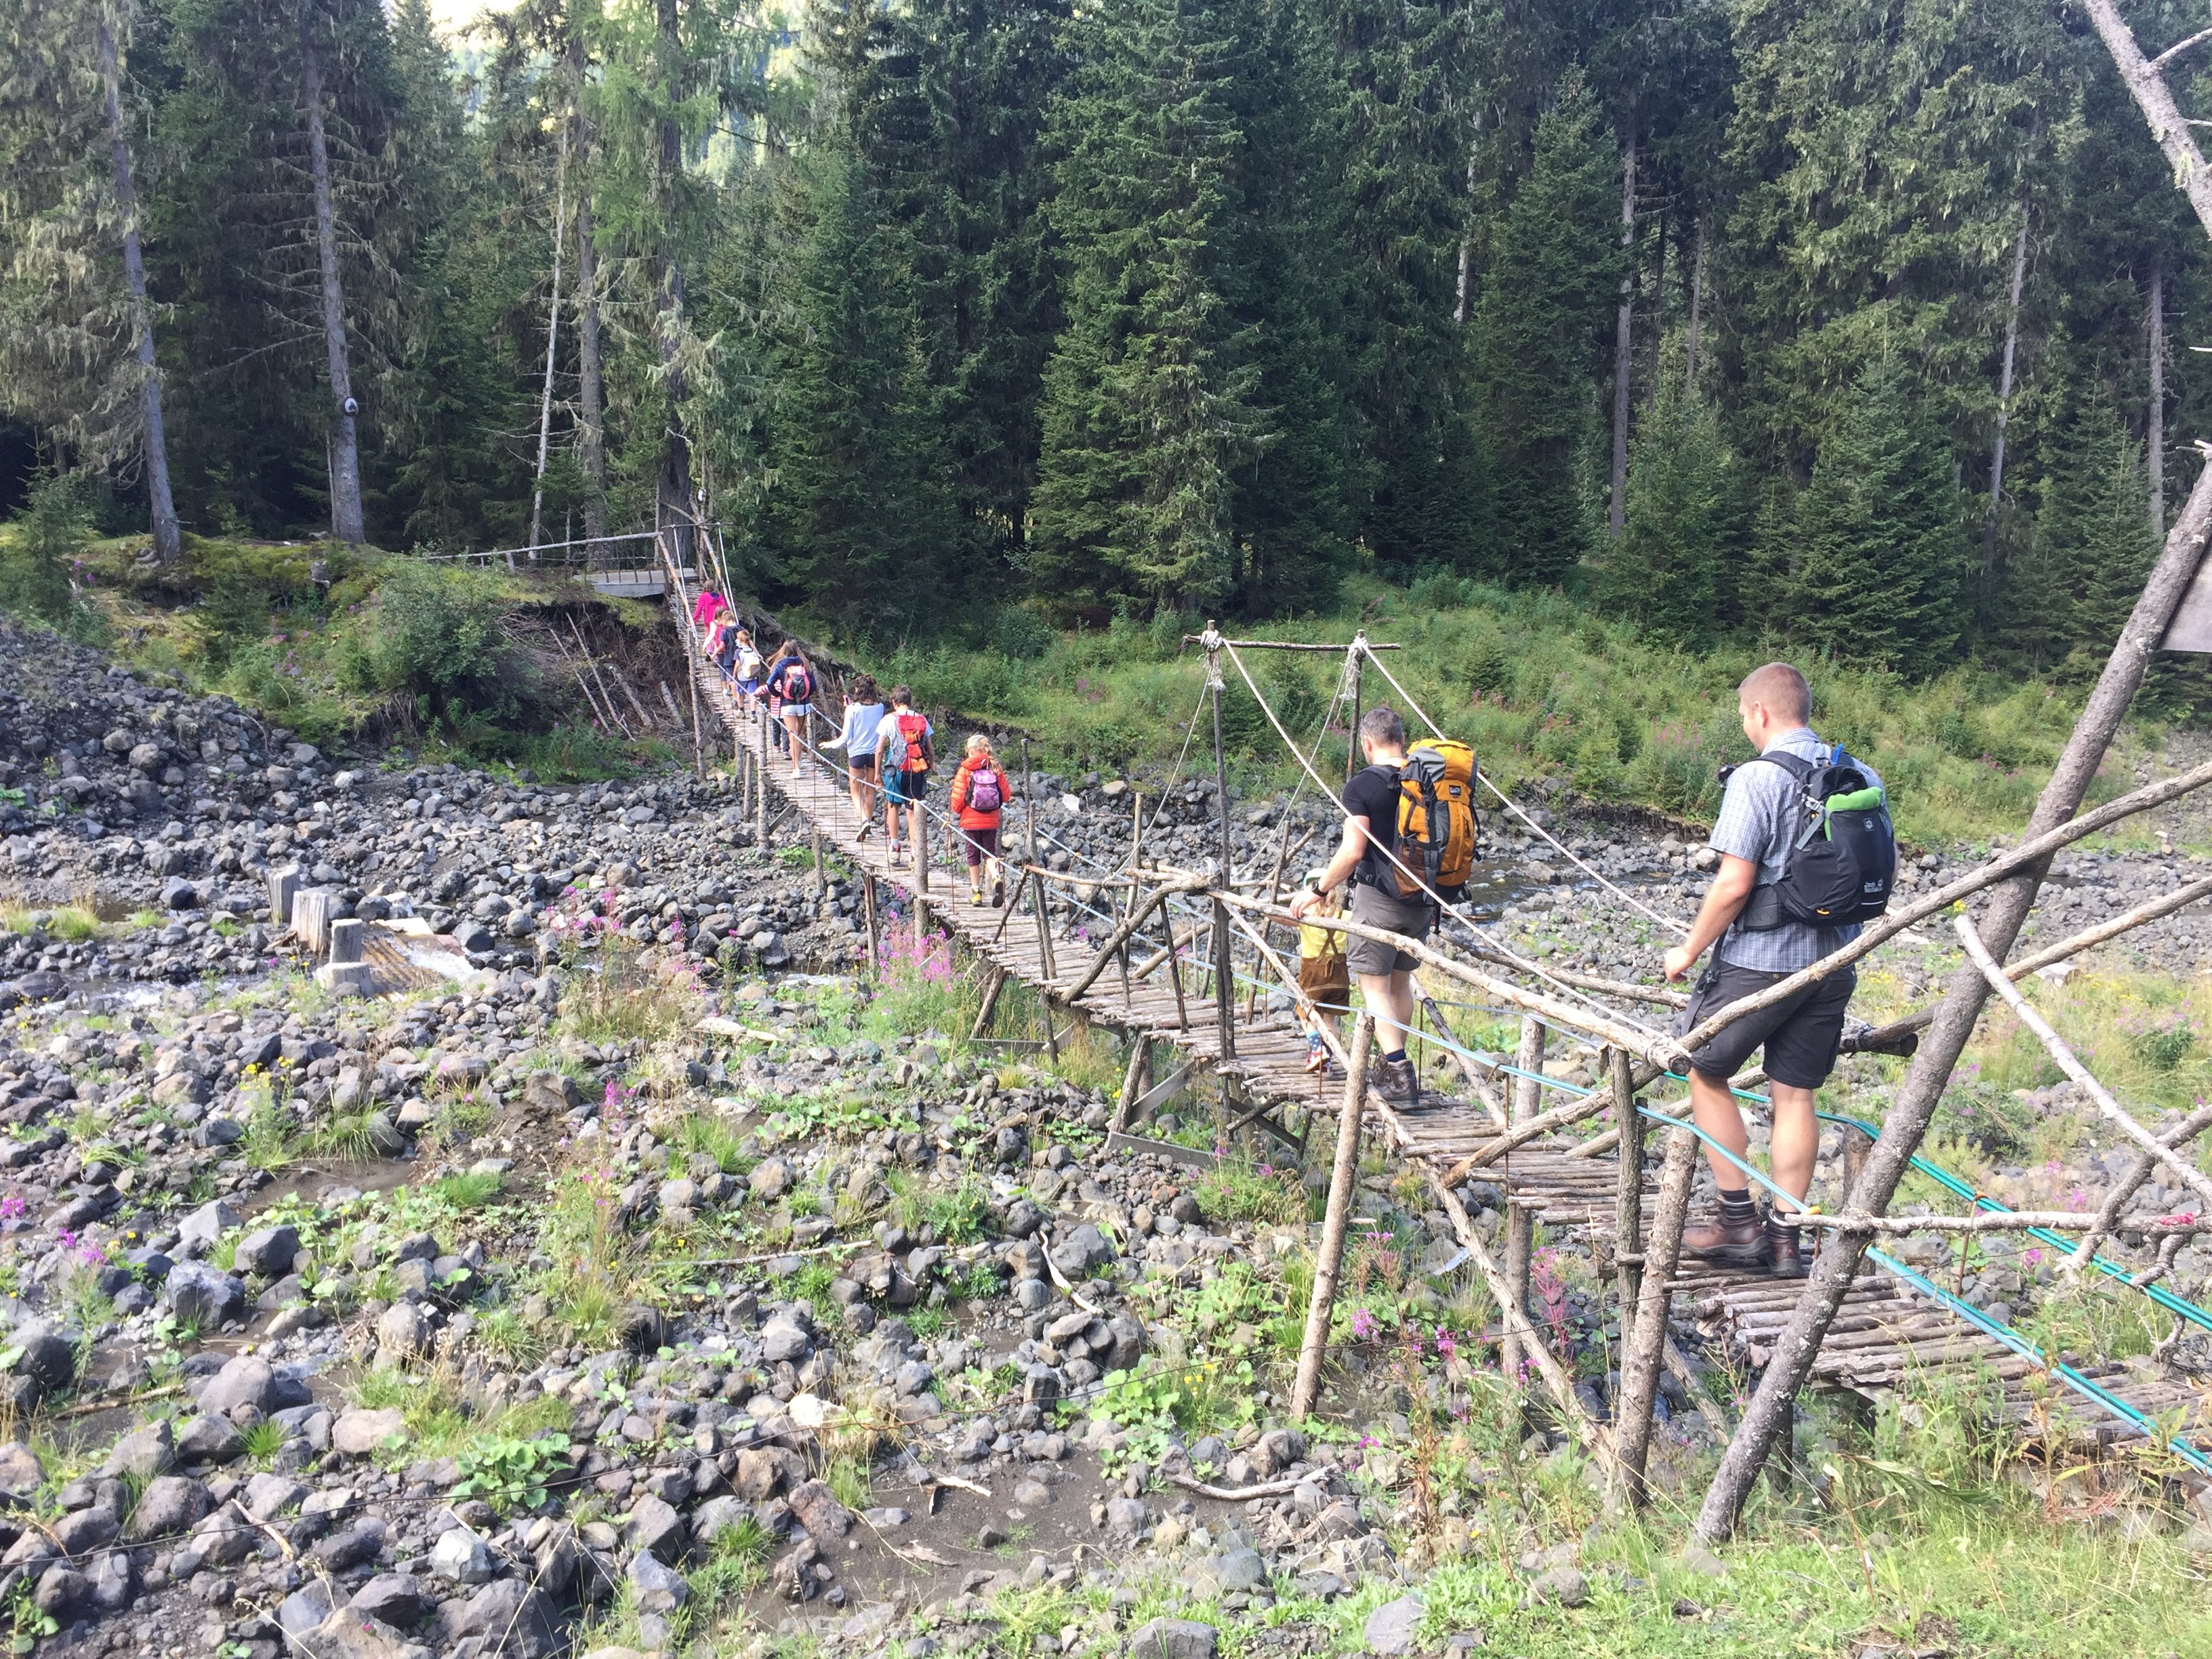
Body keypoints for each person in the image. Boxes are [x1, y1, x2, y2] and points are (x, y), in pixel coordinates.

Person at [1662, 661, 1881, 1278]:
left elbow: (1734, 884)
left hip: (1760, 963)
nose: (1744, 725)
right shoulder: (1859, 773)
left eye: (1742, 715)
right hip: (1834, 961)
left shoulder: (1758, 778)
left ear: (1759, 712)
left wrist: (1687, 950)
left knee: (1701, 1069)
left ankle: (1738, 1224)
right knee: (1795, 1094)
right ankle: (1788, 1239)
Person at [1288, 705, 1432, 1105]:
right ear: (1402, 740)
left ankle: (1400, 1074)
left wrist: (1317, 891)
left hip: (1381, 897)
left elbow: (1353, 851)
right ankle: (1391, 1067)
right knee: (1400, 983)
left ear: (1367, 743)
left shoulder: (1362, 786)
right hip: (1423, 899)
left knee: (1373, 985)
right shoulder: (1427, 778)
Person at [1295, 869, 1348, 1074]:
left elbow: (1280, 918)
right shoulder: (1345, 916)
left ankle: (1317, 1051)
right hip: (1339, 976)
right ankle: (1326, 1062)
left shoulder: (1305, 916)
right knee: (1329, 1020)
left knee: (1306, 1015)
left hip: (1313, 974)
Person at [949, 733, 1011, 906]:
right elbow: (1006, 796)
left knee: (972, 855)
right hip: (991, 820)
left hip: (970, 820)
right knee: (989, 852)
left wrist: (958, 810)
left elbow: (958, 799)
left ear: (970, 750)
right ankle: (996, 877)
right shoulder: (995, 767)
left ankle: (976, 893)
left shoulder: (966, 769)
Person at [826, 676, 887, 837]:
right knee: (870, 791)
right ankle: (869, 824)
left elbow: (845, 737)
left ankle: (864, 820)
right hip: (873, 755)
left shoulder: (852, 708)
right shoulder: (880, 707)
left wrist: (830, 744)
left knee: (855, 792)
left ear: (857, 690)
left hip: (857, 754)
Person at [882, 685, 934, 867]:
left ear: (894, 703)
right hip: (917, 769)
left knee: (893, 806)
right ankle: (914, 853)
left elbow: (879, 748)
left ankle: (895, 848)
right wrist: (930, 766)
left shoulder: (889, 719)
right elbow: (930, 748)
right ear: (910, 702)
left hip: (895, 770)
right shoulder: (921, 719)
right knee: (913, 811)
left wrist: (877, 775)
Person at [765, 644, 815, 774]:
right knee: (799, 735)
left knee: (792, 735)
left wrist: (778, 694)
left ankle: (796, 769)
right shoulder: (804, 664)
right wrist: (805, 697)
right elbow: (813, 686)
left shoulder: (780, 665)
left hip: (787, 705)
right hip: (803, 706)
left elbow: (770, 683)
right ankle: (798, 761)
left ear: (784, 651)